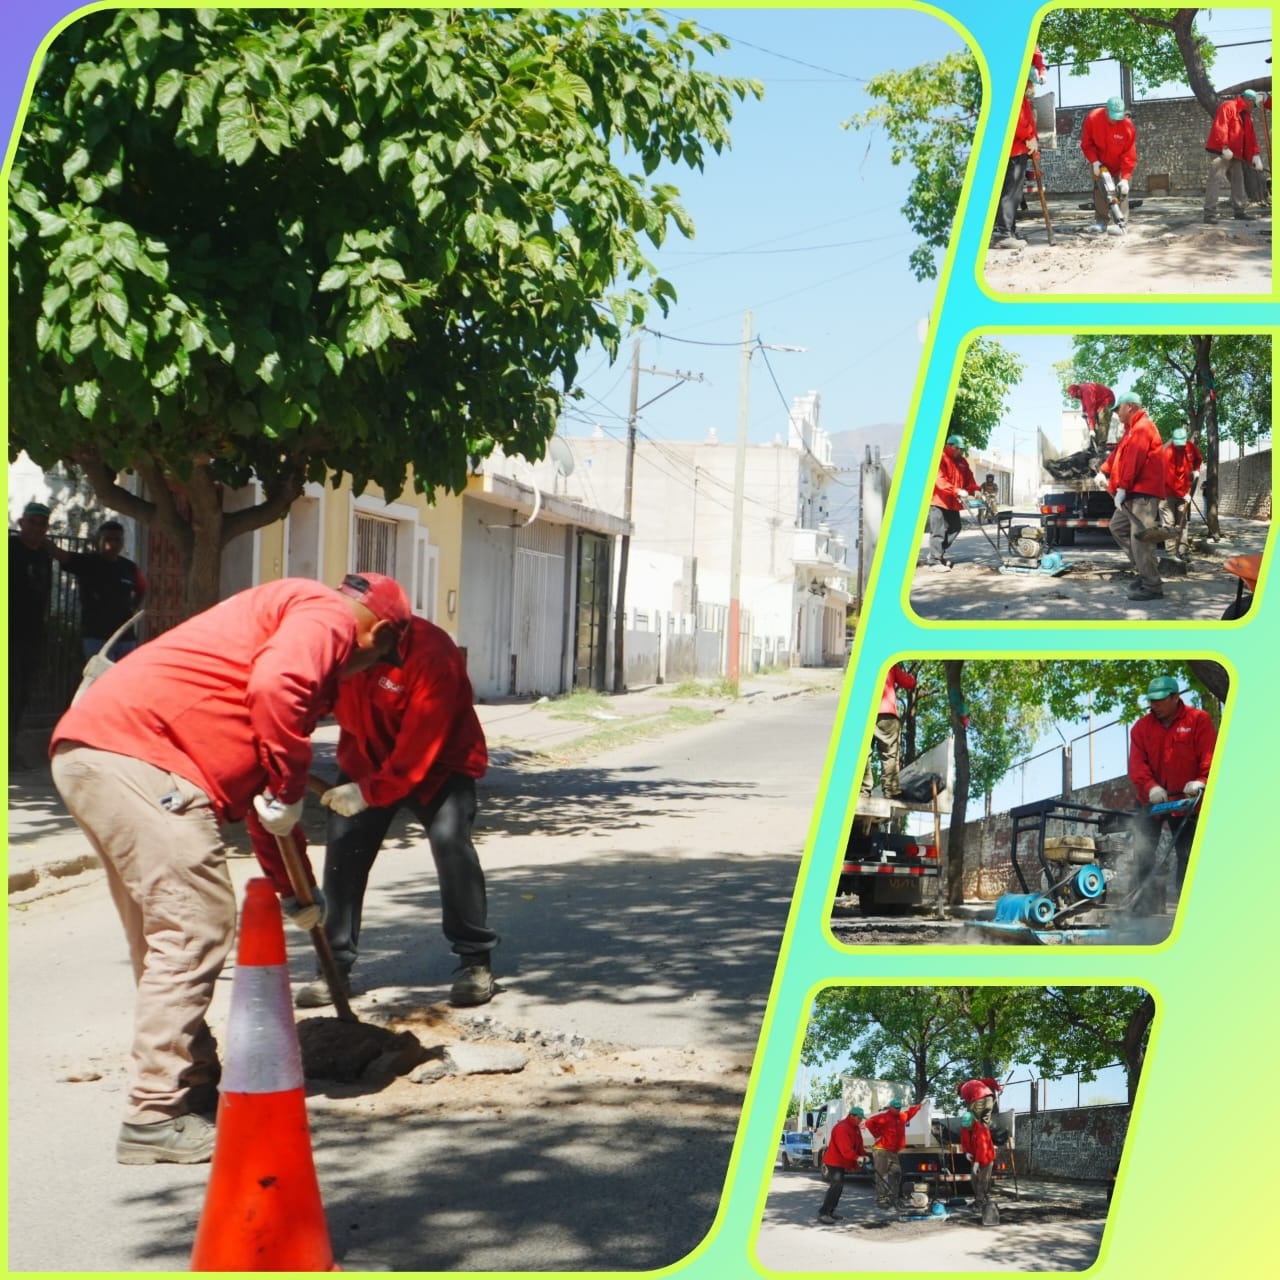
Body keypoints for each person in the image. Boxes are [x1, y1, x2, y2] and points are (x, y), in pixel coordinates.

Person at [49, 572, 410, 1165]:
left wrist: (296, 892)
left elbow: (269, 808)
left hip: (99, 753)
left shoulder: (287, 628)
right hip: (143, 757)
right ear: (380, 633)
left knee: (164, 934)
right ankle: (155, 1115)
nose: (360, 673)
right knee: (193, 928)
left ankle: (192, 1077)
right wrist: (291, 786)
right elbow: (278, 690)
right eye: (376, 660)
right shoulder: (327, 619)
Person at [290, 614, 498, 1010]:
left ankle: (475, 962)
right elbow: (307, 702)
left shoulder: (433, 655)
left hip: (438, 766)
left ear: (384, 633)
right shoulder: (337, 649)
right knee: (344, 853)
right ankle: (333, 967)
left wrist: (370, 792)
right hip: (366, 761)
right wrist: (279, 755)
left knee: (451, 844)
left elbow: (419, 748)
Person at [1128, 675, 1216, 915]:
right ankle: (1141, 911)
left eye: (1159, 700)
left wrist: (1201, 781)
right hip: (1150, 800)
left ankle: (1189, 909)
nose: (1153, 705)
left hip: (1187, 800)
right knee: (1143, 854)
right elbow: (1137, 765)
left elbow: (1210, 757)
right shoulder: (1140, 728)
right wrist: (1151, 787)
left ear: (1175, 697)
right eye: (1151, 700)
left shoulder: (1198, 720)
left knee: (1188, 854)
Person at [48, 519, 147, 660]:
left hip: (125, 638)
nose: (113, 544)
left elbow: (142, 587)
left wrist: (134, 606)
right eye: (108, 539)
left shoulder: (129, 567)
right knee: (102, 674)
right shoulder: (87, 562)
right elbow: (62, 555)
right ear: (98, 541)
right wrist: (41, 540)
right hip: (97, 638)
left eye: (117, 540)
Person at [1106, 392, 1166, 602]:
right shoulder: (1130, 431)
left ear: (1130, 407)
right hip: (1133, 493)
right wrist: (1103, 471)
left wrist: (1122, 488)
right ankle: (1144, 572)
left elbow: (1134, 461)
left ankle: (1152, 586)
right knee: (1117, 527)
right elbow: (1118, 455)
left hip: (1143, 494)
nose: (1116, 413)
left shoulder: (1143, 427)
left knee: (1141, 539)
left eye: (1118, 408)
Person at [9, 500, 55, 768]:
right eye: (32, 522)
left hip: (32, 635)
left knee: (20, 694)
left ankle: (10, 747)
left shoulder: (43, 556)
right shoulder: (10, 549)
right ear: (21, 523)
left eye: (42, 524)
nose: (37, 528)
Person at [993, 75, 1040, 249]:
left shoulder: (1021, 98)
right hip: (1014, 150)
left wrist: (1033, 144)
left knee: (1013, 193)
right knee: (1010, 193)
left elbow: (1028, 123)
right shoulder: (1015, 95)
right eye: (1031, 83)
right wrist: (1029, 137)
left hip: (1019, 149)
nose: (1033, 87)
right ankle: (1003, 234)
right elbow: (1017, 122)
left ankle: (1009, 231)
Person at [1203, 89, 1263, 223]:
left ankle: (1239, 211)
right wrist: (1224, 147)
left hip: (1236, 155)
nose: (1253, 108)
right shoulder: (1228, 106)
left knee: (1238, 182)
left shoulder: (1247, 117)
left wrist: (1255, 155)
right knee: (1215, 180)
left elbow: (1251, 138)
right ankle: (1209, 214)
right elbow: (1221, 126)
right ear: (1248, 100)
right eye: (1253, 105)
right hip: (1220, 151)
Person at [860, 664, 917, 800]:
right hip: (886, 714)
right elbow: (908, 682)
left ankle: (863, 790)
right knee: (889, 754)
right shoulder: (888, 664)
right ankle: (890, 790)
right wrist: (912, 678)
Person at [1081, 97, 1137, 234]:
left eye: (1118, 117)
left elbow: (1129, 155)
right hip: (1099, 162)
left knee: (1122, 191)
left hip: (1119, 164)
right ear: (1106, 111)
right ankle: (1101, 221)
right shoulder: (1093, 119)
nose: (1115, 120)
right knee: (1100, 189)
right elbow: (1087, 144)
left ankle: (1121, 223)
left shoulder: (1127, 127)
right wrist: (1094, 161)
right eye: (1112, 117)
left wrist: (1125, 178)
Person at [924, 435, 979, 570]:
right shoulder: (940, 458)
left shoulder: (962, 462)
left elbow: (969, 478)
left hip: (952, 502)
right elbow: (940, 480)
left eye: (962, 449)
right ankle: (934, 562)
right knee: (938, 531)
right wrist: (957, 490)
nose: (960, 451)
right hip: (938, 500)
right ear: (950, 446)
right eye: (958, 449)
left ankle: (936, 553)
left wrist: (975, 490)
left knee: (956, 527)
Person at [864, 1098, 923, 1210]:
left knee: (896, 1173)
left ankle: (893, 1198)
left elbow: (910, 1113)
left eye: (899, 1108)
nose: (897, 1109)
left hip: (893, 1151)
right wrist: (876, 1134)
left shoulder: (902, 1116)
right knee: (881, 1175)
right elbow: (869, 1122)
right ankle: (881, 1199)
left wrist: (919, 1106)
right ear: (890, 1107)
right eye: (895, 1108)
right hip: (881, 1149)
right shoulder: (884, 1117)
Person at [817, 1107, 867, 1225]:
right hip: (834, 1161)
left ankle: (831, 1211)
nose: (860, 1120)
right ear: (852, 1116)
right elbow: (845, 1150)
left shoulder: (855, 1128)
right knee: (836, 1186)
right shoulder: (841, 1128)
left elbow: (859, 1144)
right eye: (859, 1118)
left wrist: (863, 1156)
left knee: (839, 1187)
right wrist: (857, 1158)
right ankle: (823, 1213)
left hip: (842, 1161)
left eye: (861, 1119)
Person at [1160, 428, 1203, 559]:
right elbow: (1169, 479)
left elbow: (1198, 458)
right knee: (1169, 523)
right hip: (1167, 493)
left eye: (1182, 444)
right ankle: (1171, 554)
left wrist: (1196, 470)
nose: (1180, 447)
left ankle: (1183, 552)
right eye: (1178, 445)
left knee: (1182, 522)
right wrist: (1182, 494)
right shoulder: (1167, 453)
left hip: (1184, 491)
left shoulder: (1190, 447)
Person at [960, 1109, 999, 1225]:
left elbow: (983, 1149)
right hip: (974, 1158)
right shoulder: (965, 1128)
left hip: (986, 1158)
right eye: (965, 1126)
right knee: (974, 1180)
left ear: (973, 1121)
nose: (967, 1128)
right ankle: (980, 1200)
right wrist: (966, 1152)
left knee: (982, 1180)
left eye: (968, 1125)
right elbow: (964, 1141)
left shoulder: (982, 1130)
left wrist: (977, 1163)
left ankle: (980, 1202)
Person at [1068, 381, 1117, 449]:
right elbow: (1084, 402)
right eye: (1075, 397)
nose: (1076, 397)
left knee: (1102, 420)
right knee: (1095, 422)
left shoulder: (1087, 391)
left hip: (1107, 399)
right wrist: (1084, 411)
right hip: (1099, 403)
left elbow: (1091, 411)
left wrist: (1091, 429)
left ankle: (1101, 444)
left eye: (1076, 395)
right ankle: (1094, 444)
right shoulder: (1082, 392)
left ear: (1078, 390)